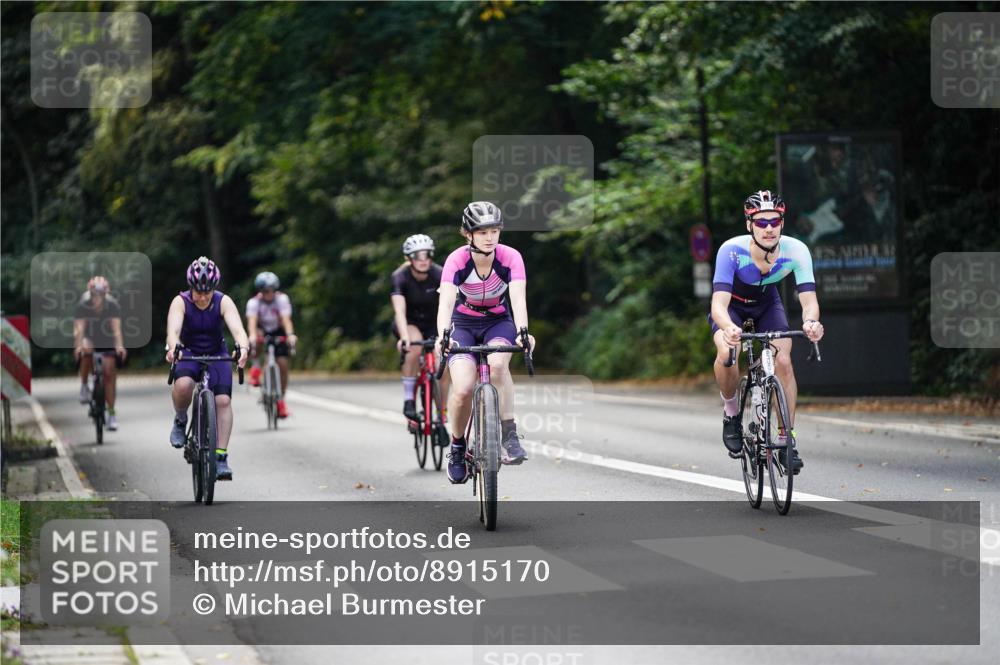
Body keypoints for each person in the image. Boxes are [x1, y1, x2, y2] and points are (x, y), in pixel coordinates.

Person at [710, 190, 825, 473]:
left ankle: (787, 440)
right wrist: (728, 328)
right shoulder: (731, 251)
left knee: (783, 361)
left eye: (775, 221)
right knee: (728, 352)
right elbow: (718, 305)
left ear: (782, 223)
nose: (769, 228)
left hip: (766, 305)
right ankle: (732, 413)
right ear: (749, 225)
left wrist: (811, 323)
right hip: (732, 308)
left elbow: (809, 302)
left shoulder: (796, 250)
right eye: (761, 222)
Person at [436, 201, 535, 484]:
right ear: (467, 234)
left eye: (494, 231)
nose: (490, 237)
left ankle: (510, 433)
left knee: (499, 366)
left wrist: (523, 332)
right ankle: (457, 448)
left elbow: (518, 298)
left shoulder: (510, 257)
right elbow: (445, 303)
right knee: (464, 389)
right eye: (482, 232)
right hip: (463, 325)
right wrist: (443, 335)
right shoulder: (456, 260)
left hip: (497, 322)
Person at [165, 257, 249, 480]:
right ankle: (181, 419)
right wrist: (174, 348)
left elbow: (238, 330)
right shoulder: (180, 302)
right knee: (183, 385)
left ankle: (221, 457)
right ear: (190, 287)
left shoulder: (223, 301)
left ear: (214, 288)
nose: (202, 297)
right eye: (198, 292)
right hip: (189, 351)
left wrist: (243, 347)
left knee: (223, 401)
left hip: (217, 352)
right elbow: (173, 332)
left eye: (207, 292)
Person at [391, 234, 448, 421]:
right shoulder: (400, 276)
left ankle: (442, 412)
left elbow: (448, 306)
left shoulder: (440, 274)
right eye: (417, 256)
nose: (423, 260)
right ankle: (409, 399)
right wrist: (404, 337)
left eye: (427, 255)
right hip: (410, 322)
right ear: (409, 258)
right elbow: (399, 310)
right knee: (414, 348)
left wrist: (445, 334)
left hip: (434, 322)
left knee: (442, 363)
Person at [73, 276, 127, 431]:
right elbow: (80, 331)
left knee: (109, 372)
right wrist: (78, 347)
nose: (97, 299)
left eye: (100, 296)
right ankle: (84, 385)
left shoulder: (112, 306)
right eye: (94, 296)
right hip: (89, 337)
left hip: (107, 338)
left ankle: (111, 414)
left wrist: (120, 347)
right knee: (86, 349)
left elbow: (117, 330)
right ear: (90, 294)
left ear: (105, 295)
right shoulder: (83, 305)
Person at [246, 271, 297, 418]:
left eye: (272, 290)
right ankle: (255, 367)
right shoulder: (254, 302)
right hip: (262, 330)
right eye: (266, 291)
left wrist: (290, 335)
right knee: (256, 338)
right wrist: (252, 337)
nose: (269, 293)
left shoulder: (282, 299)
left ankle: (281, 400)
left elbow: (286, 319)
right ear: (261, 291)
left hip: (278, 330)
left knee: (282, 364)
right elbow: (252, 322)